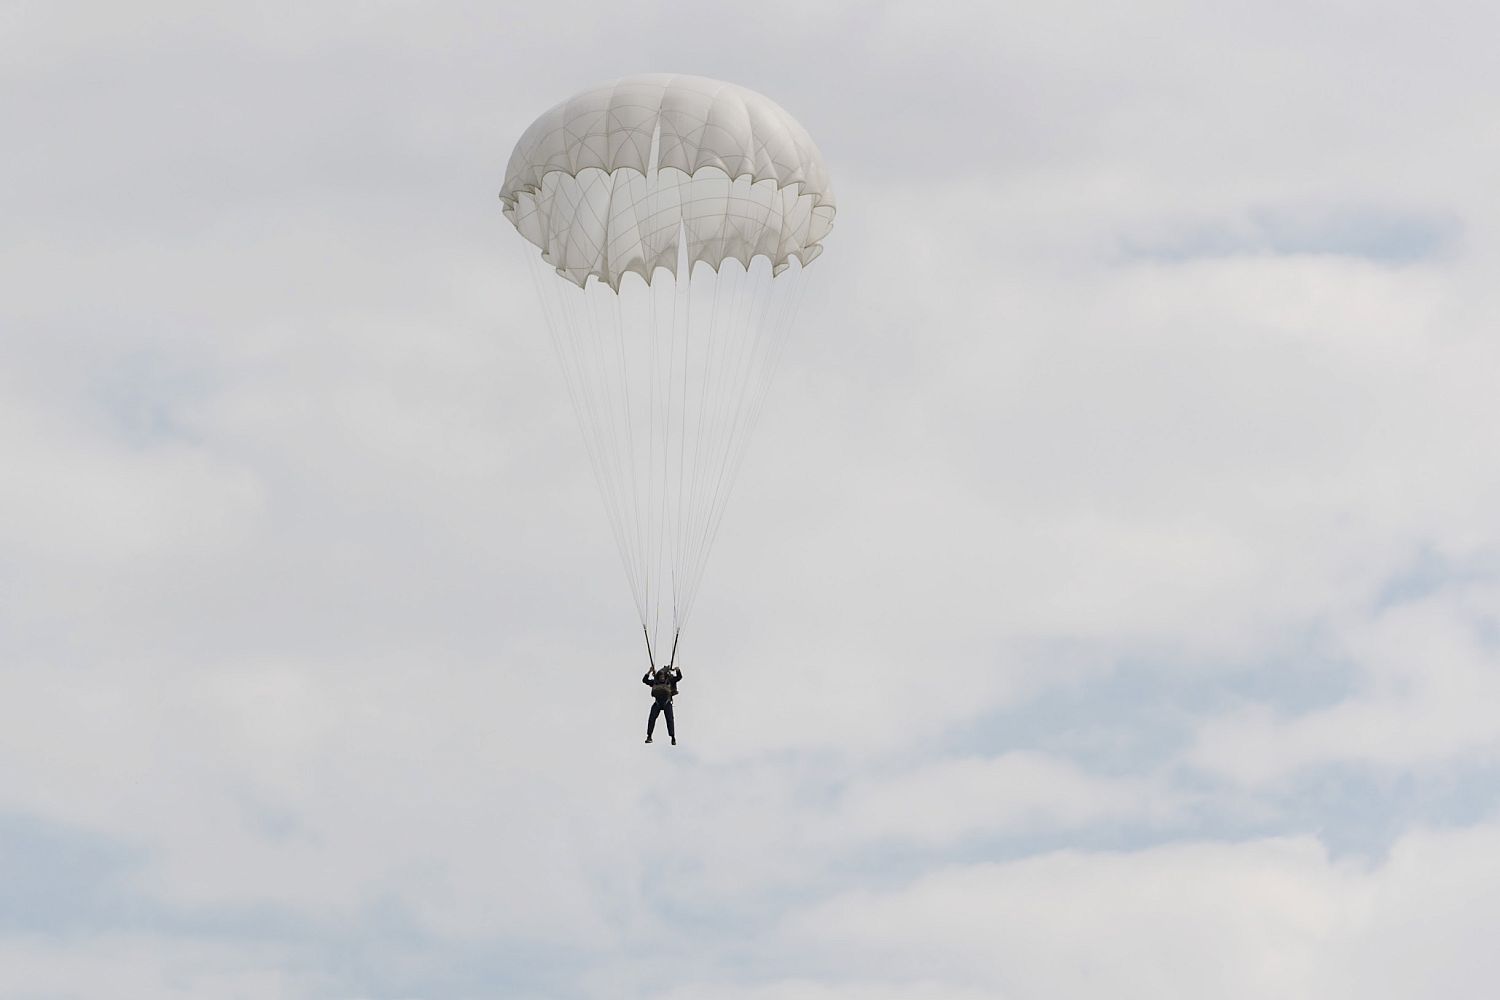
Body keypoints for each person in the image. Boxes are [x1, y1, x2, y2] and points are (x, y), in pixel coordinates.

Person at [643, 663, 682, 744]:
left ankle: (673, 737)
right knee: (651, 718)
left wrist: (678, 670)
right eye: (660, 676)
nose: (662, 678)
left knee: (670, 720)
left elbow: (679, 677)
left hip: (666, 703)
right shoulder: (655, 682)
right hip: (657, 703)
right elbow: (645, 680)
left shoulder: (669, 681)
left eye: (663, 676)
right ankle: (649, 736)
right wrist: (649, 671)